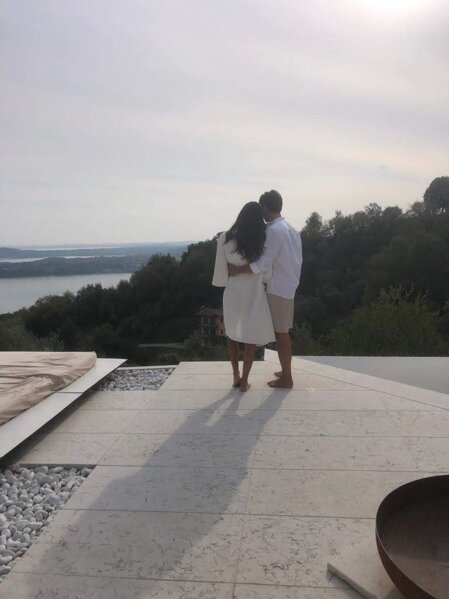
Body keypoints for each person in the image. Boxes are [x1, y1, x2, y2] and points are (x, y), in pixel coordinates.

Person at [228, 190, 302, 388]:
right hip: (288, 285)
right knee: (282, 332)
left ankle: (287, 378)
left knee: (281, 334)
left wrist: (238, 269)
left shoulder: (274, 231)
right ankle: (285, 370)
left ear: (266, 207)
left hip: (278, 288)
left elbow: (263, 263)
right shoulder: (290, 228)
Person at [212, 202, 275, 391]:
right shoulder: (262, 240)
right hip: (254, 292)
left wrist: (230, 275)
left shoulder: (225, 238)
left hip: (233, 292)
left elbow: (221, 272)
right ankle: (245, 380)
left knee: (232, 334)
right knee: (250, 337)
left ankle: (235, 375)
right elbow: (266, 272)